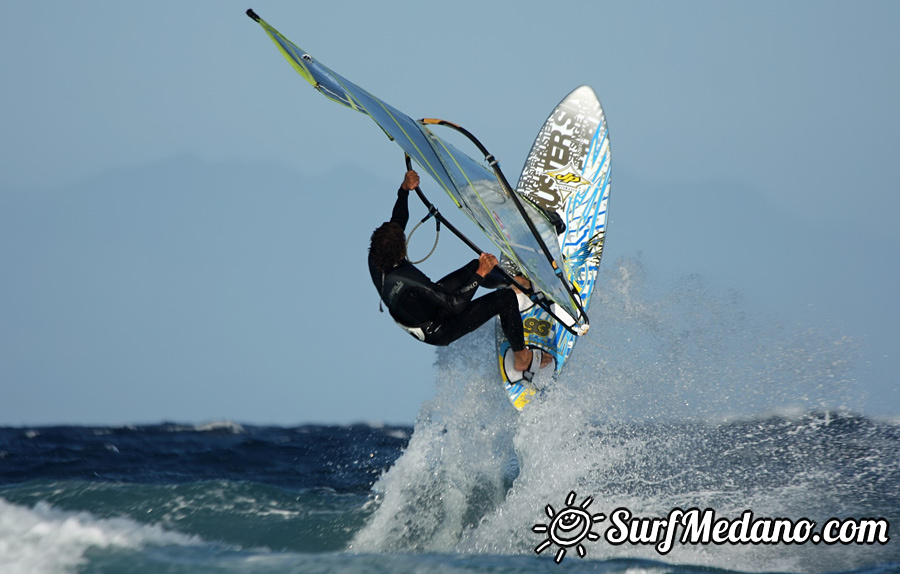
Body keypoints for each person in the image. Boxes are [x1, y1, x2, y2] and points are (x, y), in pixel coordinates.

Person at [369, 170, 547, 373]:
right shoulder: (409, 281)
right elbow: (454, 305)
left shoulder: (377, 254)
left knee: (474, 265)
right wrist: (480, 274)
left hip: (426, 307)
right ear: (400, 254)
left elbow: (398, 219)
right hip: (438, 328)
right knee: (503, 298)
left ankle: (519, 284)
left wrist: (404, 190)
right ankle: (522, 357)